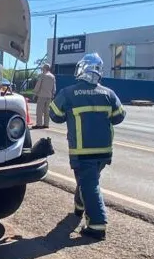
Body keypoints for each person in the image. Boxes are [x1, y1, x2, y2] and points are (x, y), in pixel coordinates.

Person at [48, 52, 125, 239]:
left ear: (81, 69)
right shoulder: (109, 93)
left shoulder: (69, 92)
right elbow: (119, 117)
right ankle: (79, 207)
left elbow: (54, 115)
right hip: (104, 151)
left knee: (90, 183)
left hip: (82, 151)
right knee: (87, 180)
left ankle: (97, 225)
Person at [32, 63, 56, 128]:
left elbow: (38, 85)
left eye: (43, 68)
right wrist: (53, 94)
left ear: (44, 68)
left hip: (42, 95)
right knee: (47, 111)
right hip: (49, 96)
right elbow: (54, 87)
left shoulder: (43, 75)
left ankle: (39, 124)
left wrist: (34, 93)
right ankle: (46, 124)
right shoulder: (52, 76)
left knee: (39, 110)